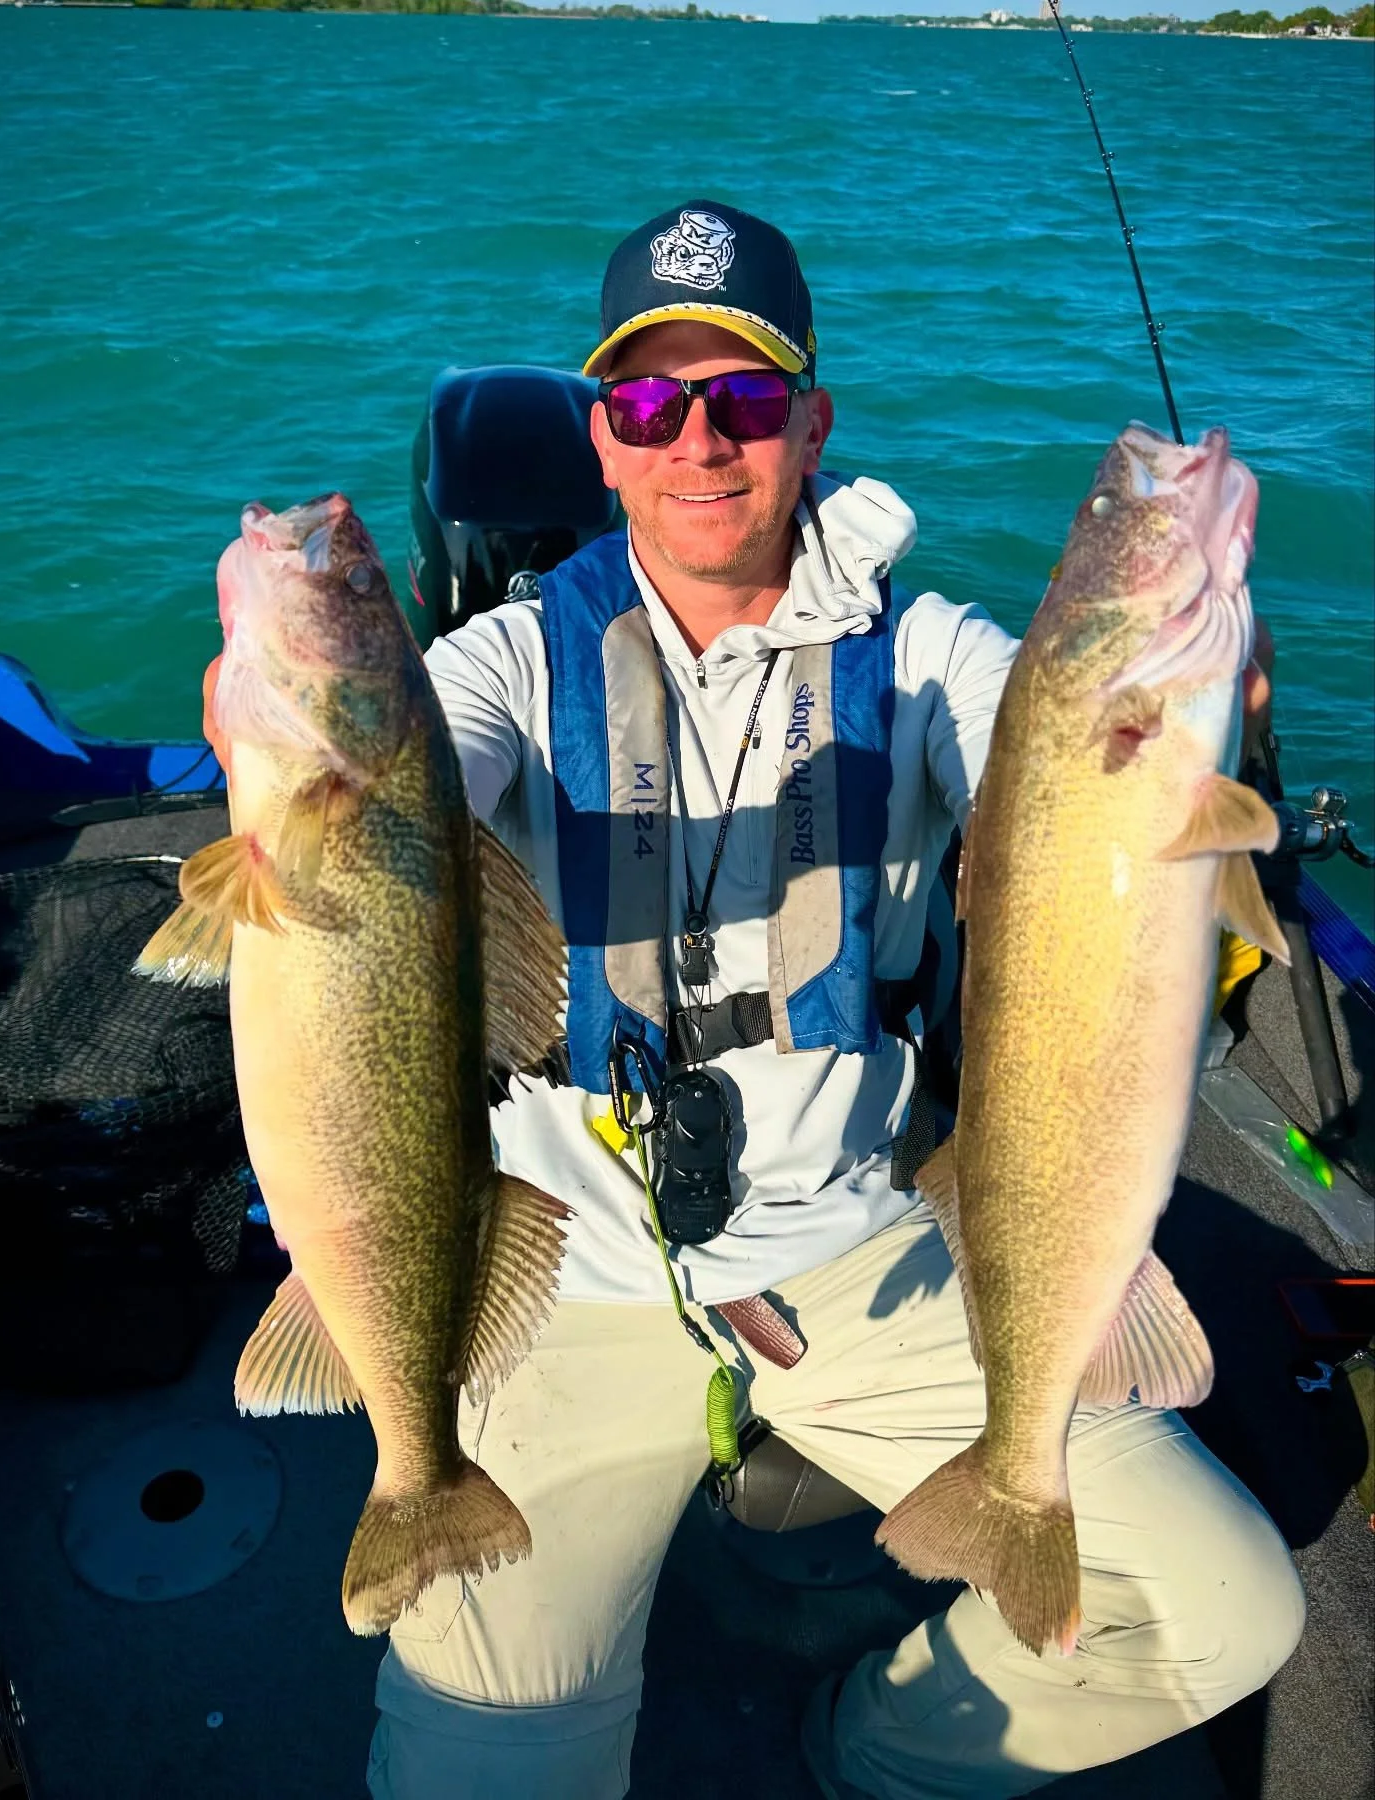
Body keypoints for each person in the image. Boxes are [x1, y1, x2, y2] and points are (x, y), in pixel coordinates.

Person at [204, 200, 1296, 1800]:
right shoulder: (499, 665)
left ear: (814, 423)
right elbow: (415, 781)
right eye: (649, 402)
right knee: (479, 1780)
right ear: (600, 440)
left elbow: (1051, 770)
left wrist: (1190, 740)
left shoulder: (936, 654)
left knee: (1226, 1613)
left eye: (748, 398)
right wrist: (291, 749)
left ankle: (880, 1750)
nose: (699, 440)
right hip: (564, 1277)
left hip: (865, 1255)